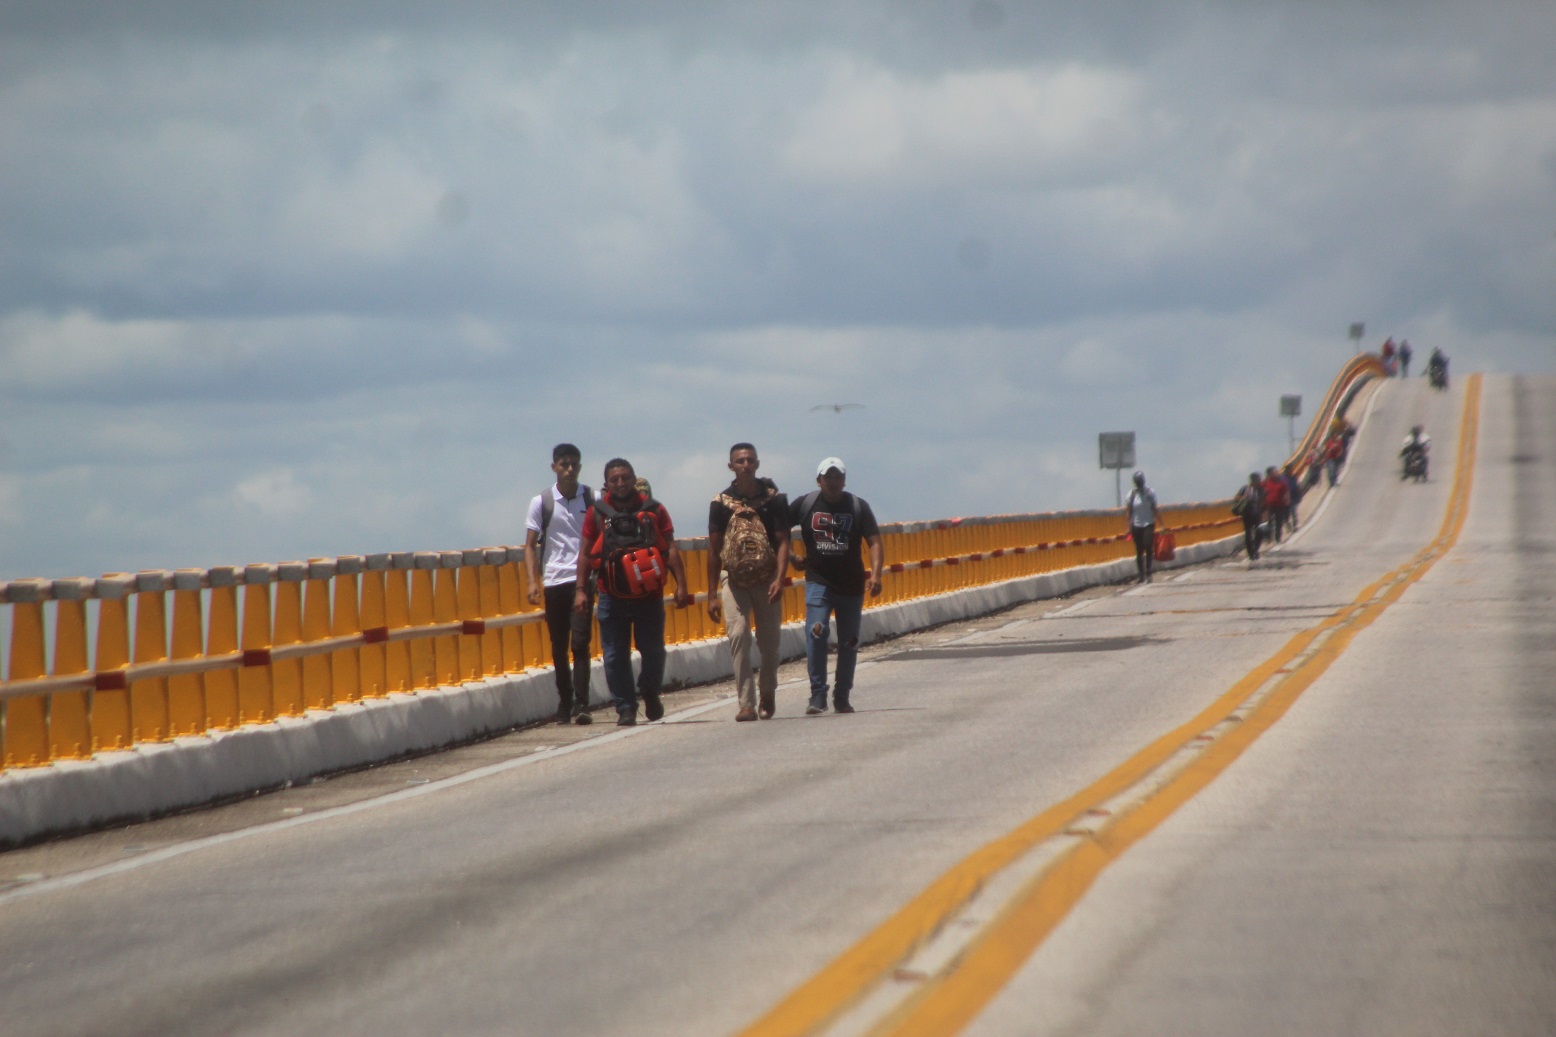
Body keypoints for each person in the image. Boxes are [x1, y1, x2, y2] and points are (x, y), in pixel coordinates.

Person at [574, 458, 693, 726]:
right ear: (606, 484)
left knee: (653, 651)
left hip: (649, 596)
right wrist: (581, 591)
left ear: (634, 478)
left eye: (625, 477)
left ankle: (650, 692)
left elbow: (670, 549)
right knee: (614, 655)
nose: (620, 483)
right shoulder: (596, 513)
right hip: (609, 595)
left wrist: (682, 585)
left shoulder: (655, 509)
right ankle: (625, 708)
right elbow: (584, 553)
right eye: (615, 479)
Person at [787, 457, 884, 715]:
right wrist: (791, 557)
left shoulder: (856, 506)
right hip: (819, 582)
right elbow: (777, 532)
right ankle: (818, 694)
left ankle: (842, 695)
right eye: (827, 477)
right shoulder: (806, 504)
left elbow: (874, 541)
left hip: (851, 584)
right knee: (817, 632)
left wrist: (876, 574)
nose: (833, 482)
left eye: (837, 477)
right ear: (819, 480)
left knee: (849, 641)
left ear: (844, 480)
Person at [706, 443, 791, 722]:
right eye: (740, 461)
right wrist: (711, 595)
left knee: (769, 644)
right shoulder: (720, 503)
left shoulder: (774, 501)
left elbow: (783, 542)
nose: (745, 465)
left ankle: (767, 693)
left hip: (767, 579)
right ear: (731, 466)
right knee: (739, 635)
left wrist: (780, 579)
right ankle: (745, 703)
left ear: (757, 464)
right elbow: (714, 549)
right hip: (733, 579)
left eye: (750, 461)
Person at [524, 443, 596, 725]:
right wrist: (533, 582)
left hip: (582, 580)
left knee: (580, 643)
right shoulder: (542, 502)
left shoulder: (591, 498)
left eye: (574, 464)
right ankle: (564, 702)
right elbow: (530, 545)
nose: (569, 469)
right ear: (553, 467)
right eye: (563, 464)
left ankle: (581, 704)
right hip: (554, 580)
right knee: (558, 646)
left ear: (579, 466)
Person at [1123, 470, 1160, 584]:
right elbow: (1129, 512)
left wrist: (1162, 524)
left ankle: (1149, 572)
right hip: (1136, 525)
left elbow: (1155, 509)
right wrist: (1128, 527)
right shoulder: (1132, 495)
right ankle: (1141, 575)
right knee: (1139, 550)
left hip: (1148, 523)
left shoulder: (1150, 493)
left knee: (1148, 546)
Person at [1233, 473, 1265, 561]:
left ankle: (1256, 549)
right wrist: (1244, 497)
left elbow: (1262, 501)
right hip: (1247, 514)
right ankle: (1251, 553)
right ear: (1253, 480)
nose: (1259, 481)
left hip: (1257, 514)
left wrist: (1263, 513)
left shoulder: (1260, 489)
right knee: (1248, 534)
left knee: (1260, 532)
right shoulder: (1245, 489)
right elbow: (1236, 498)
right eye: (1258, 479)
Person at [1261, 466, 1290, 545]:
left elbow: (1286, 493)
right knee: (1269, 522)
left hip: (1280, 505)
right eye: (1274, 472)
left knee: (1279, 522)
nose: (1276, 474)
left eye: (1276, 472)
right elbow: (1260, 490)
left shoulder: (1281, 482)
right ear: (1269, 474)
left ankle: (1278, 538)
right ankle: (1268, 538)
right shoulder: (1266, 482)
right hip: (1269, 506)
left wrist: (1287, 501)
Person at [1281, 464, 1302, 534]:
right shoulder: (1283, 478)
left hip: (1294, 497)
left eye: (1291, 469)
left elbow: (1297, 485)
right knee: (1286, 514)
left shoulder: (1294, 476)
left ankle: (1295, 525)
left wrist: (1299, 494)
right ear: (1286, 470)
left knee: (1294, 511)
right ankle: (1288, 525)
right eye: (1289, 470)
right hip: (1286, 498)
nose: (1291, 471)